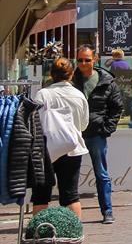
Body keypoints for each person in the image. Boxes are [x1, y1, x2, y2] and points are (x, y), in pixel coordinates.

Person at [31, 58, 89, 219]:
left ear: (51, 74)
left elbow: (35, 121)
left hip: (46, 150)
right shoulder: (78, 95)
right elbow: (83, 125)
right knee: (70, 194)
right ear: (71, 75)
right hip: (72, 149)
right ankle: (74, 232)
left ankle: (39, 233)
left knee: (41, 194)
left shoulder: (43, 94)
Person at [72, 45, 123, 224]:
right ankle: (71, 214)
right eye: (80, 60)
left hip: (96, 133)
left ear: (95, 59)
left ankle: (107, 211)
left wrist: (106, 128)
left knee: (101, 173)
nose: (83, 63)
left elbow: (116, 107)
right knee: (71, 174)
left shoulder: (106, 81)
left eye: (87, 59)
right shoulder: (71, 80)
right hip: (74, 134)